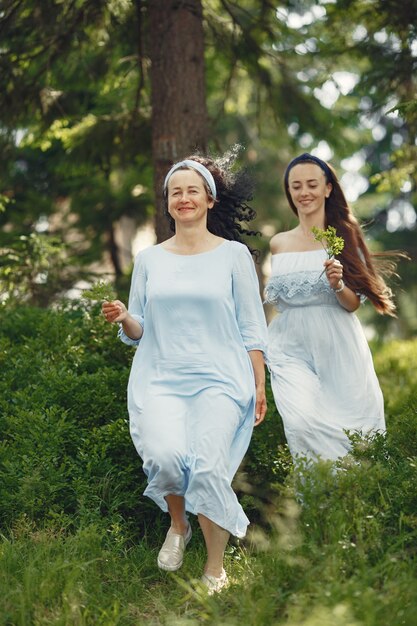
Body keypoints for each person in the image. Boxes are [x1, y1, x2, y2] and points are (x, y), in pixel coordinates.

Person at [102, 149, 268, 594]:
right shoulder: (150, 259)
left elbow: (252, 325)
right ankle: (179, 525)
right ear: (169, 202)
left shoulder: (233, 255)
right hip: (160, 379)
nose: (184, 198)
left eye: (193, 190)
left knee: (210, 467)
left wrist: (259, 383)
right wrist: (123, 317)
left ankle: (215, 568)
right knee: (166, 459)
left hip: (220, 378)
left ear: (210, 200)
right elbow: (138, 329)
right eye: (176, 192)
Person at [265, 152, 400, 463]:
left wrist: (338, 284)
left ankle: (347, 503)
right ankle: (313, 501)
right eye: (296, 186)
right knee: (300, 423)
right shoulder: (279, 243)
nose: (304, 192)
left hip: (338, 343)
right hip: (289, 346)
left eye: (312, 184)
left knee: (352, 430)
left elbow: (353, 305)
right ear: (289, 191)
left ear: (327, 189)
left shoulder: (344, 236)